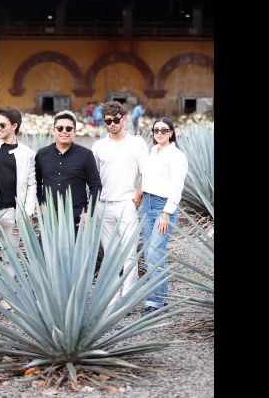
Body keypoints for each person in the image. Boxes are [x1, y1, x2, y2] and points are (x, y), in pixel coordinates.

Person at [0, 106, 37, 312]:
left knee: (10, 256)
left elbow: (31, 185)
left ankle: (7, 298)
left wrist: (27, 213)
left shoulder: (28, 153)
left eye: (2, 125)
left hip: (14, 213)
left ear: (14, 126)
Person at [91, 101, 149, 307]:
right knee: (110, 253)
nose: (113, 124)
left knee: (129, 252)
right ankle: (112, 298)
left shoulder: (137, 143)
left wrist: (136, 199)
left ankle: (128, 299)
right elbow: (93, 177)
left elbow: (146, 173)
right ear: (104, 121)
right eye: (109, 121)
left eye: (116, 120)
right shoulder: (98, 146)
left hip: (127, 203)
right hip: (103, 205)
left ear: (124, 119)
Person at [137, 117, 188, 316]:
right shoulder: (153, 152)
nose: (159, 133)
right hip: (147, 205)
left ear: (171, 132)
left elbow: (177, 187)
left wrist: (166, 213)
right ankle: (161, 298)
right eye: (156, 130)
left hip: (162, 207)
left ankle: (154, 303)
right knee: (153, 253)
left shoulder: (176, 156)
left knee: (154, 254)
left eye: (164, 130)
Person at [35, 110, 102, 232]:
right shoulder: (42, 154)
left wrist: (89, 212)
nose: (64, 131)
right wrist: (40, 204)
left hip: (77, 218)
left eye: (68, 128)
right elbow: (36, 182)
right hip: (50, 216)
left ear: (74, 132)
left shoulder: (85, 155)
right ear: (54, 131)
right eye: (60, 128)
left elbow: (95, 185)